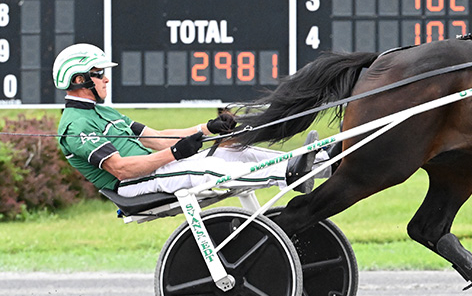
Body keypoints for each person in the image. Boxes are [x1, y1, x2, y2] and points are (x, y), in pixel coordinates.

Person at [54, 43, 320, 198]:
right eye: (99, 73)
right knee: (207, 168)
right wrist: (174, 154)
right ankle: (287, 174)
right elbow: (122, 170)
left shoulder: (105, 112)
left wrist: (206, 129)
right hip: (134, 184)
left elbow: (156, 138)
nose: (106, 79)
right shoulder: (75, 126)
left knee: (234, 152)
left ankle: (320, 163)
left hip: (155, 172)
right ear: (79, 79)